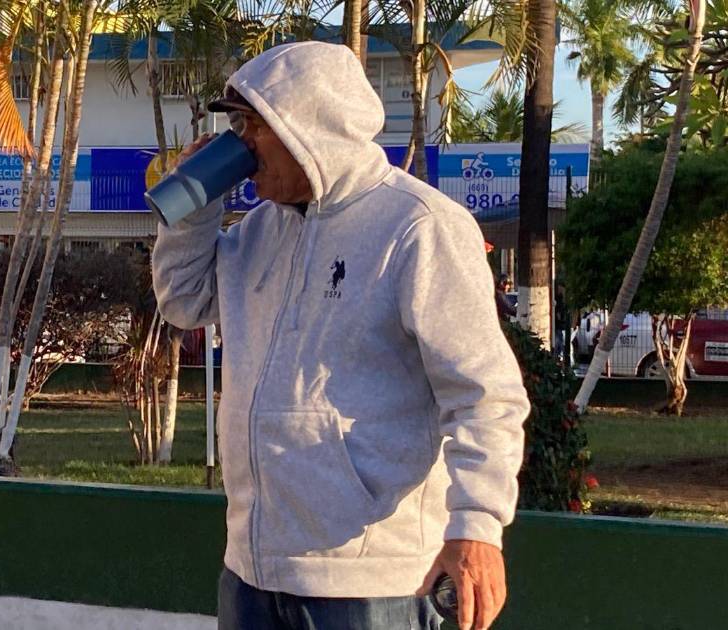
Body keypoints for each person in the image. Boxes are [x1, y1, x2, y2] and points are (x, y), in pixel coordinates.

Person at [152, 42, 529, 630]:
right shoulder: (259, 230)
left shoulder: (418, 227)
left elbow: (485, 394)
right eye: (235, 127)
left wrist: (477, 527)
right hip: (252, 571)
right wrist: (194, 208)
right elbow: (183, 301)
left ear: (306, 126)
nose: (240, 144)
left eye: (251, 125)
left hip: (371, 582)